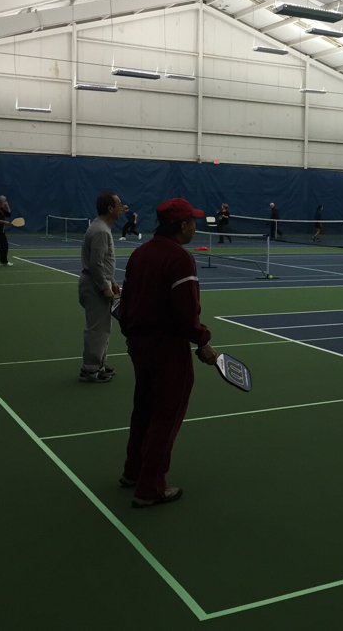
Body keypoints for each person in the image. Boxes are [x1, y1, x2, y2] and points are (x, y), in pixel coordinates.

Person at [117, 198, 218, 508]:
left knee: (143, 408)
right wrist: (202, 342)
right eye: (192, 221)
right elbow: (187, 311)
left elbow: (126, 300)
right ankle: (151, 487)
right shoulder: (180, 259)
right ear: (182, 226)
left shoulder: (139, 253)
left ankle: (133, 471)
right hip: (167, 350)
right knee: (166, 415)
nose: (195, 226)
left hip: (138, 345)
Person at [78, 191, 123, 383]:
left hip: (97, 283)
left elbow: (102, 262)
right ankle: (90, 369)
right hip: (94, 285)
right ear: (110, 208)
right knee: (97, 329)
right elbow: (96, 263)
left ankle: (98, 364)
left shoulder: (102, 228)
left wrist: (111, 282)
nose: (122, 207)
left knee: (103, 327)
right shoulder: (101, 231)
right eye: (119, 204)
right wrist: (105, 286)